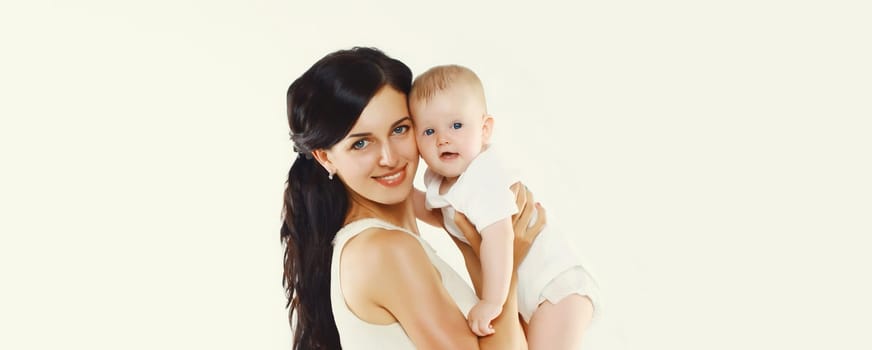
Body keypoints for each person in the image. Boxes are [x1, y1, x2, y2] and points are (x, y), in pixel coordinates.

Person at [281, 47, 546, 349]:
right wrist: (505, 267)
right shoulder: (384, 250)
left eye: (400, 129)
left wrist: (479, 248)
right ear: (325, 157)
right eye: (361, 143)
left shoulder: (390, 242)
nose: (389, 157)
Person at [408, 64, 599, 349]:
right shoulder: (440, 180)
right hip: (525, 292)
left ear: (484, 129)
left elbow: (500, 236)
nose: (443, 138)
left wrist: (491, 301)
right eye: (429, 131)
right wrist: (404, 194)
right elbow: (437, 213)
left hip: (555, 288)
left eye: (456, 125)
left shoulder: (484, 175)